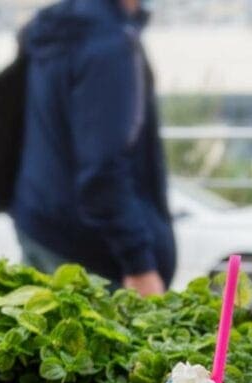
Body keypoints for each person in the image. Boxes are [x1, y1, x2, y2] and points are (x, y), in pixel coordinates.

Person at [12, 0, 174, 295]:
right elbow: (102, 170)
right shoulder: (108, 42)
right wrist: (139, 266)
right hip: (94, 259)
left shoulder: (61, 28)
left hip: (43, 225)